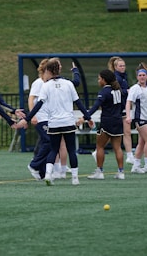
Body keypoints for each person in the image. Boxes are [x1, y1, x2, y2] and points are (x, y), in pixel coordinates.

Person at [18, 58, 94, 186]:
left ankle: (48, 174)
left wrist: (26, 119)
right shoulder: (68, 84)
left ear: (48, 70)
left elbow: (38, 105)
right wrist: (88, 117)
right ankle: (75, 178)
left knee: (53, 150)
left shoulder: (46, 85)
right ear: (59, 69)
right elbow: (78, 102)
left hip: (53, 123)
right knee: (71, 150)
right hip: (68, 122)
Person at [84, 69, 125, 180]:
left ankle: (99, 171)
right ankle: (121, 172)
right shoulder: (118, 90)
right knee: (117, 147)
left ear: (104, 80)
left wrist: (85, 117)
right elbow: (122, 106)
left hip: (107, 121)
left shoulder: (104, 91)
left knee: (100, 146)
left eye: (99, 79)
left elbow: (96, 106)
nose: (98, 81)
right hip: (118, 120)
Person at [125, 68, 147, 173]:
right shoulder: (135, 88)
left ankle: (136, 166)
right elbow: (129, 102)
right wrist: (128, 116)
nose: (142, 77)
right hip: (140, 118)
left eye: (144, 75)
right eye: (140, 75)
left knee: (142, 143)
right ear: (137, 77)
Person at [107, 56, 134, 164]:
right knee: (112, 132)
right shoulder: (116, 78)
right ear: (115, 67)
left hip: (123, 108)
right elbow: (116, 92)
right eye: (120, 66)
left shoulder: (123, 77)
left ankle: (130, 155)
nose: (123, 67)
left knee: (127, 132)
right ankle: (97, 150)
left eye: (124, 65)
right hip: (118, 109)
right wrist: (127, 91)